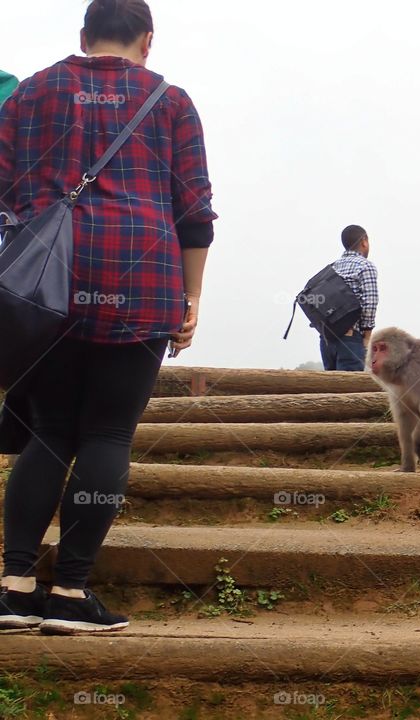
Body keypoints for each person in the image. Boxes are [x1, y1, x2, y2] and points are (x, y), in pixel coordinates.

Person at [0, 0, 216, 634]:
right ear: (147, 41)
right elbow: (196, 211)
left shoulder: (32, 91)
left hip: (46, 288)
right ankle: (69, 592)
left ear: (83, 36)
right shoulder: (171, 100)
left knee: (49, 430)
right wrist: (192, 297)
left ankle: (12, 587)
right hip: (143, 280)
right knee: (107, 435)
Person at [319, 225, 379, 371]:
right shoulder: (365, 266)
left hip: (326, 339)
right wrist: (367, 336)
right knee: (349, 390)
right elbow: (370, 303)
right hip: (351, 339)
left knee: (329, 390)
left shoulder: (332, 267)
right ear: (364, 241)